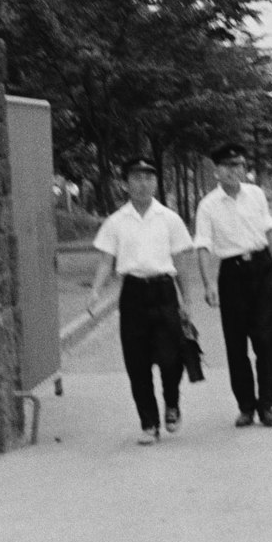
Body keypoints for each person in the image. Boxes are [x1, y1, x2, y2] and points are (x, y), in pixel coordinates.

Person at [87, 157, 195, 445]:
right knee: (137, 363)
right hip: (133, 294)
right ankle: (149, 423)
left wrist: (187, 301)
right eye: (136, 178)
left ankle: (171, 403)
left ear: (156, 183)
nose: (143, 183)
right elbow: (105, 261)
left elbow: (181, 263)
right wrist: (96, 291)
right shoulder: (115, 222)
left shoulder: (170, 219)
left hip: (164, 292)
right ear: (125, 184)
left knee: (172, 358)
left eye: (148, 178)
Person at [195, 142, 272, 428]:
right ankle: (246, 406)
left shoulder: (255, 194)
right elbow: (204, 246)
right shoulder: (207, 205)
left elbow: (269, 229)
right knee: (236, 343)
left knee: (266, 339)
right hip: (232, 274)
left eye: (241, 166)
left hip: (261, 267)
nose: (237, 171)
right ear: (217, 170)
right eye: (230, 166)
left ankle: (267, 405)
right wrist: (208, 284)